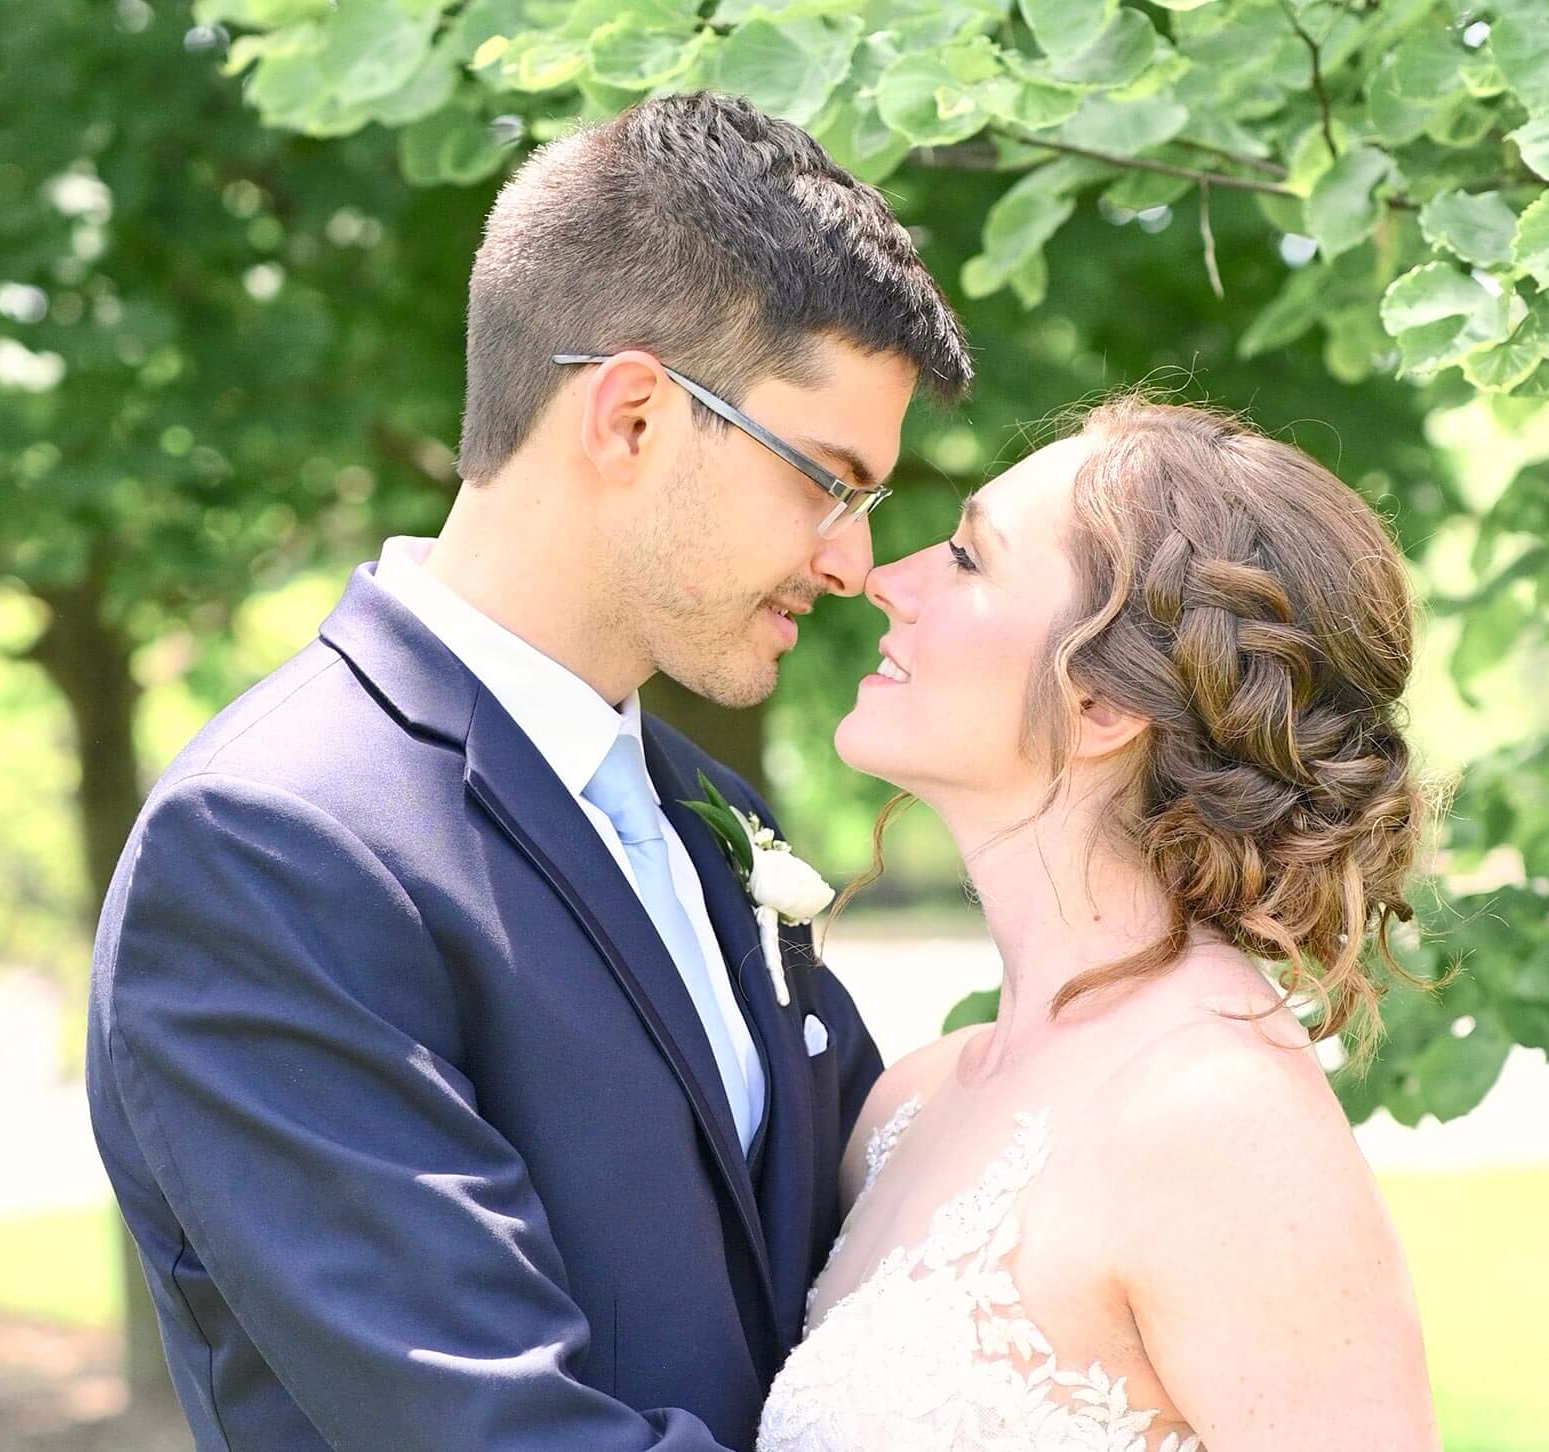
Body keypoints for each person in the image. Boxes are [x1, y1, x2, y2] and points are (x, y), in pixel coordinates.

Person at [84, 93, 970, 1449]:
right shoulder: (274, 849)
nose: (850, 562)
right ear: (630, 417)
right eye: (826, 481)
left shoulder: (710, 816)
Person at [759, 397, 1443, 1450]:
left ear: (1102, 707)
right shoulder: (911, 1099)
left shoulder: (1219, 1120)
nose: (886, 580)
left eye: (966, 558)